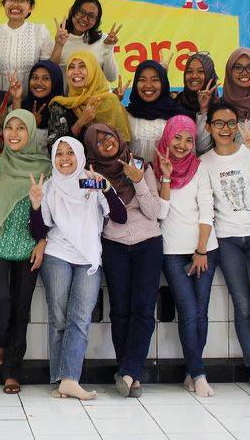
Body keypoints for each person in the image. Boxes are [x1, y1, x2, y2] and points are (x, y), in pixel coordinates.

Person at [199, 100, 250, 391]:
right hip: (227, 240)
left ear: (238, 125)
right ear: (209, 127)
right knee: (243, 303)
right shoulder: (204, 162)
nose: (225, 129)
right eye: (218, 123)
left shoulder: (249, 153)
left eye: (230, 123)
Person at [33, 136, 126, 400]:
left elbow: (120, 217)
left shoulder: (91, 181)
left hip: (88, 257)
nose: (64, 158)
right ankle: (63, 379)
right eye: (59, 153)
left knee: (80, 319)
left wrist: (106, 189)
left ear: (80, 155)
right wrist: (36, 206)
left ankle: (69, 379)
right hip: (57, 255)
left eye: (70, 152)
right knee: (59, 319)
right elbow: (39, 231)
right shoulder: (49, 186)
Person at [83, 124, 163, 398]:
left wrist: (138, 181)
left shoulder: (139, 164)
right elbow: (92, 212)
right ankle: (129, 372)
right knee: (120, 310)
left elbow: (154, 211)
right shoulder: (91, 173)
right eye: (98, 141)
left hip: (148, 243)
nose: (106, 142)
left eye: (108, 135)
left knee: (144, 309)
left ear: (118, 137)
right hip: (114, 244)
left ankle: (130, 372)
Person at [0, 110, 51, 393]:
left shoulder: (46, 168)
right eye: (10, 127)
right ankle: (1, 337)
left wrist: (42, 241)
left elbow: (52, 211)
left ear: (31, 132)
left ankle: (12, 371)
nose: (14, 134)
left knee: (21, 307)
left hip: (28, 243)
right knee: (0, 299)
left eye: (21, 128)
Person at [153, 115, 218, 398]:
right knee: (189, 312)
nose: (181, 144)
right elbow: (161, 212)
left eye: (189, 139)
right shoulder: (154, 167)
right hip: (172, 252)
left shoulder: (199, 167)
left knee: (201, 312)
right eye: (177, 137)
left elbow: (207, 209)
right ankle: (199, 373)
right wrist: (166, 176)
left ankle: (193, 372)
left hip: (204, 250)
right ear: (168, 136)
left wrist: (201, 250)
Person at [0, 0, 56, 94]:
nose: (16, 4)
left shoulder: (41, 32)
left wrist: (59, 45)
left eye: (22, 0)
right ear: (4, 3)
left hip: (30, 100)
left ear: (31, 7)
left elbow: (50, 69)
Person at [47, 51, 130, 148]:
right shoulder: (60, 105)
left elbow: (123, 144)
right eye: (71, 67)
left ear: (93, 71)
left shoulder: (110, 100)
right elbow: (53, 148)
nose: (76, 72)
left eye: (82, 66)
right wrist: (80, 123)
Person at [125, 59, 187, 161]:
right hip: (132, 171)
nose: (148, 85)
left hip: (169, 171)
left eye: (155, 80)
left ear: (163, 83)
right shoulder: (126, 114)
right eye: (142, 80)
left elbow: (187, 152)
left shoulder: (177, 115)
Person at [53, 0, 122, 82]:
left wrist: (108, 48)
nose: (85, 19)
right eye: (81, 12)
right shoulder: (60, 40)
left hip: (97, 91)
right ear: (73, 11)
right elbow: (51, 74)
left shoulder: (103, 40)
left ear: (96, 21)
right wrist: (58, 45)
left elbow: (111, 78)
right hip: (68, 91)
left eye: (91, 16)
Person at [171, 51, 218, 154]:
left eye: (201, 71)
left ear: (209, 75)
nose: (194, 76)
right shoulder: (175, 102)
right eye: (189, 71)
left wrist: (204, 109)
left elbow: (202, 148)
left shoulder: (219, 108)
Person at [20, 60, 64, 152]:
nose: (39, 83)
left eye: (45, 78)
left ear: (55, 82)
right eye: (35, 77)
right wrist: (32, 126)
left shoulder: (64, 111)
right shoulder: (22, 107)